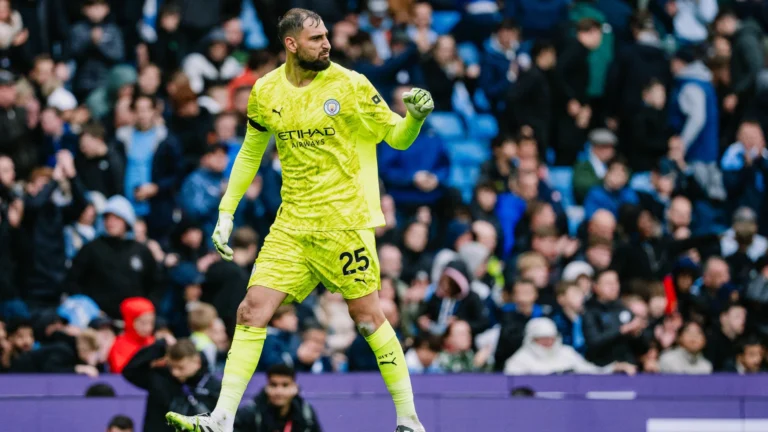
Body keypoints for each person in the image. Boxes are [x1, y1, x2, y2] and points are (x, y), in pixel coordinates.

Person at [165, 9, 435, 432]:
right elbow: (250, 153)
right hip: (291, 226)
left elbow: (396, 138)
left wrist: (415, 118)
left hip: (343, 224)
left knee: (367, 318)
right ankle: (221, 419)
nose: (326, 44)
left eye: (326, 36)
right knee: (250, 311)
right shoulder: (266, 90)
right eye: (316, 39)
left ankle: (409, 419)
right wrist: (226, 211)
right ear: (291, 44)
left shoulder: (350, 84)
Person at [124, 339, 221, 432]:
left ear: (197, 362)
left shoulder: (212, 387)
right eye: (171, 367)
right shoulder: (161, 378)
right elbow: (130, 371)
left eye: (180, 367)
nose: (175, 373)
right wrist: (160, 346)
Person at [234, 364, 322, 432]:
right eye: (273, 385)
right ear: (266, 387)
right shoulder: (249, 414)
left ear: (295, 388)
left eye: (285, 385)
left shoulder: (306, 414)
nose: (279, 391)